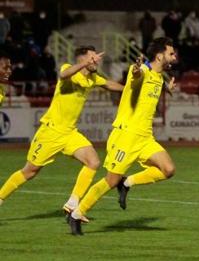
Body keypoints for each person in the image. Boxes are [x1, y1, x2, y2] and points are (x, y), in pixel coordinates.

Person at [68, 37, 177, 235]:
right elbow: (136, 76)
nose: (174, 56)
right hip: (125, 135)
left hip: (145, 137)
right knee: (110, 180)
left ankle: (127, 183)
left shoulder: (160, 77)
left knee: (168, 169)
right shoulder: (142, 71)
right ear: (160, 56)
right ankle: (76, 214)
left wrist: (167, 88)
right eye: (171, 53)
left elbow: (153, 83)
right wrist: (135, 69)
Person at [0, 46, 123, 214]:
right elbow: (64, 75)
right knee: (30, 172)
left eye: (96, 57)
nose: (97, 60)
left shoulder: (92, 78)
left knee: (93, 162)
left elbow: (109, 84)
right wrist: (84, 64)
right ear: (83, 59)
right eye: (93, 57)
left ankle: (72, 203)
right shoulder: (69, 70)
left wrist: (131, 87)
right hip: (50, 132)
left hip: (70, 133)